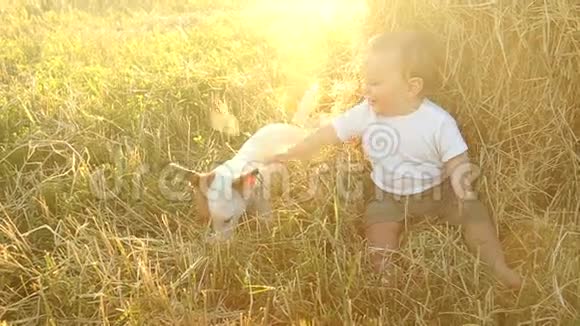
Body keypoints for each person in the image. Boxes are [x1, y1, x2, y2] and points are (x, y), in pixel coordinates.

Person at [262, 31, 522, 289]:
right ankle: (386, 273)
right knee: (378, 228)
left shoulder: (437, 121)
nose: (365, 90)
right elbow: (330, 131)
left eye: (375, 82)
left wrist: (463, 191)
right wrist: (300, 149)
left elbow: (456, 159)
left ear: (412, 87)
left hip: (439, 193)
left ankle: (497, 265)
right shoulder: (366, 113)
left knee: (474, 214)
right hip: (388, 195)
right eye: (366, 81)